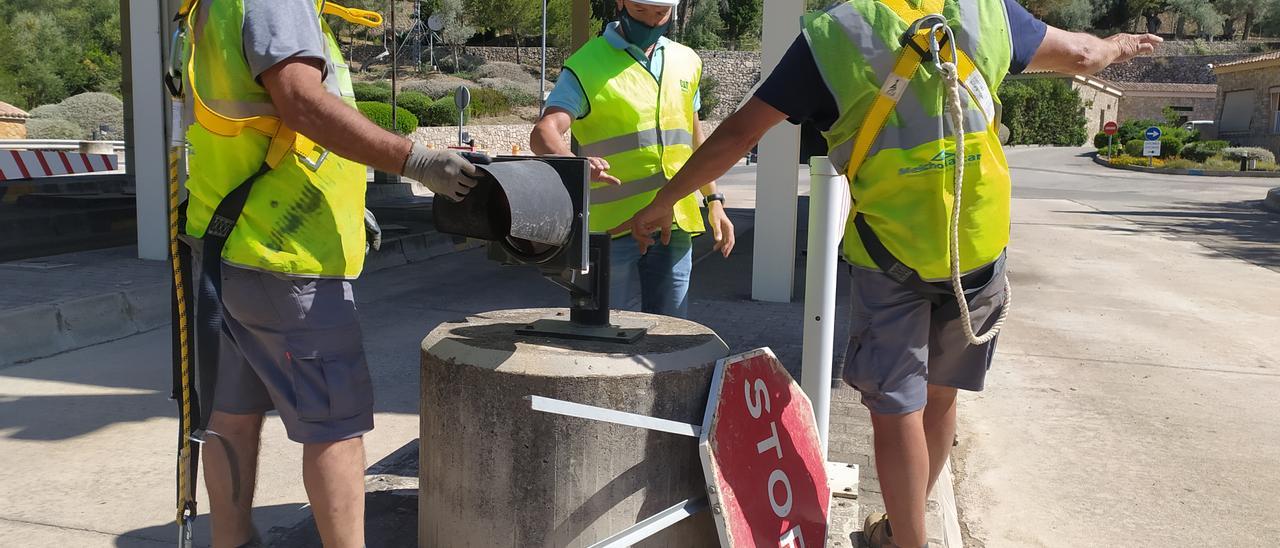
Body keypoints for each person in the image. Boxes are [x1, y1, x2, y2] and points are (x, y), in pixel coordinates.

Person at [609, 1, 1161, 545]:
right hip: (977, 247)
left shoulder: (834, 35)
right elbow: (1084, 55)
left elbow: (739, 135)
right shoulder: (983, 10)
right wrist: (1118, 46)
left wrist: (665, 201)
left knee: (899, 409)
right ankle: (903, 530)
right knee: (942, 399)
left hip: (892, 252)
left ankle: (906, 541)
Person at [178, 1, 481, 546]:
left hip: (228, 244)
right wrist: (413, 160)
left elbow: (265, 119)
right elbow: (301, 101)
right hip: (287, 257)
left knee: (231, 414)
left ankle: (232, 541)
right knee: (336, 425)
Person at [530, 0, 735, 319]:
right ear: (621, 3)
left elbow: (695, 141)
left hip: (675, 222)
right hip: (612, 231)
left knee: (670, 336)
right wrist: (575, 163)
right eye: (641, 12)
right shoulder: (586, 64)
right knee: (602, 334)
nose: (651, 22)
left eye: (660, 14)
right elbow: (544, 133)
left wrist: (715, 200)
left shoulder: (687, 62)